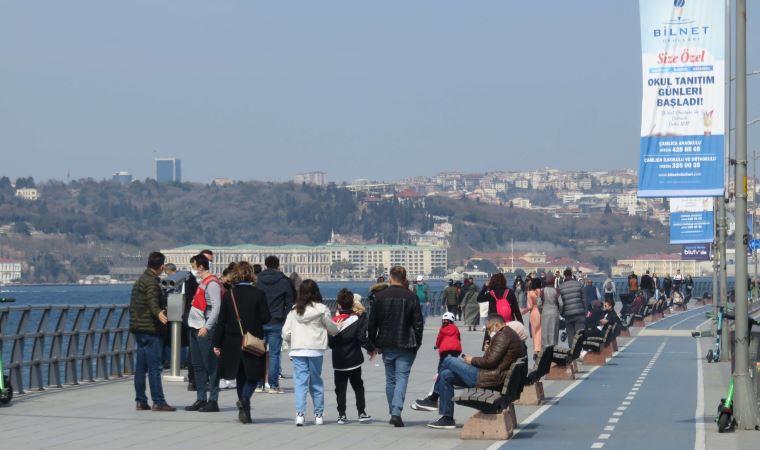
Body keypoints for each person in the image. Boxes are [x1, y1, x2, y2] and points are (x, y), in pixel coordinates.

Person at [419, 316, 527, 429]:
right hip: (493, 377)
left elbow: (490, 362)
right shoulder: (508, 334)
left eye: (489, 329)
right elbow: (495, 360)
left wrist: (471, 360)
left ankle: (433, 399)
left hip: (487, 379)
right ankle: (447, 418)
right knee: (446, 375)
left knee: (448, 360)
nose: (489, 332)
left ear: (497, 325)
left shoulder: (503, 335)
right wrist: (489, 349)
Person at [212, 262, 271, 424]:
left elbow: (221, 321)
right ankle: (245, 400)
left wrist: (216, 343)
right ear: (251, 274)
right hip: (252, 340)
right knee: (254, 375)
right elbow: (266, 318)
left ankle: (244, 410)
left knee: (240, 376)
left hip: (231, 341)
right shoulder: (259, 294)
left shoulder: (229, 294)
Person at [367, 266, 424, 427]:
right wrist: (417, 343)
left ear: (391, 277)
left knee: (390, 379)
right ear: (404, 278)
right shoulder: (411, 297)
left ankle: (393, 410)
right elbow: (418, 323)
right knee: (402, 378)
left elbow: (372, 323)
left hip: (386, 343)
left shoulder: (379, 297)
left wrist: (373, 344)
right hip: (406, 343)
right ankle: (396, 412)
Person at [283, 279, 339, 426]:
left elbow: (285, 332)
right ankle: (318, 415)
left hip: (298, 350)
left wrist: (293, 338)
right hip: (315, 349)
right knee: (316, 382)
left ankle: (300, 414)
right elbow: (333, 328)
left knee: (300, 383)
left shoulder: (294, 310)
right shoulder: (322, 309)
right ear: (316, 292)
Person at [129, 251, 175, 411]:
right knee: (155, 367)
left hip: (138, 329)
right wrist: (159, 313)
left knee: (140, 368)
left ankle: (141, 401)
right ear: (162, 266)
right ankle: (158, 401)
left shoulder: (140, 280)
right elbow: (152, 301)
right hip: (151, 330)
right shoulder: (151, 283)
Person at [186, 253, 224, 412]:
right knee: (197, 364)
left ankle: (213, 400)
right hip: (194, 326)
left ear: (201, 267)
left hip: (204, 327)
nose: (193, 269)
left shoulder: (212, 283)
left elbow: (216, 307)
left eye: (194, 266)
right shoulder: (202, 282)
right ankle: (201, 398)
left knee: (210, 364)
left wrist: (207, 327)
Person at [328, 289, 372, 425]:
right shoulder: (357, 319)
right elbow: (361, 338)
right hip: (354, 359)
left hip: (339, 360)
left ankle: (341, 414)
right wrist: (371, 349)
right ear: (353, 303)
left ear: (338, 305)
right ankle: (361, 412)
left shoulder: (334, 321)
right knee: (358, 386)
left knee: (340, 388)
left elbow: (330, 343)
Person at [256, 255, 296, 394]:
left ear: (265, 265)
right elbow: (291, 301)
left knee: (258, 352)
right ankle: (273, 385)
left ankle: (258, 384)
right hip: (276, 320)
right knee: (274, 354)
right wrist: (284, 315)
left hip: (259, 321)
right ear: (278, 265)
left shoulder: (258, 280)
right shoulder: (284, 281)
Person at [477, 273, 523, 349]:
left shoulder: (491, 294)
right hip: (508, 324)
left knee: (491, 347)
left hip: (493, 324)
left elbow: (479, 298)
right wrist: (520, 324)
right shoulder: (510, 292)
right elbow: (516, 310)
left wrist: (485, 286)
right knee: (508, 346)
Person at [558, 268, 586, 347]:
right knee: (579, 334)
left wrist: (562, 313)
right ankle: (580, 351)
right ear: (571, 275)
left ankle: (572, 352)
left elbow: (560, 303)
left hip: (567, 314)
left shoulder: (561, 287)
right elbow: (584, 299)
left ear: (564, 276)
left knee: (570, 335)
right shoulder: (579, 284)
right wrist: (585, 311)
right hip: (579, 313)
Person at [521, 277, 543, 358]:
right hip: (542, 312)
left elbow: (529, 307)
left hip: (534, 312)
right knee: (541, 330)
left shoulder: (530, 293)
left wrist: (523, 311)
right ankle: (542, 347)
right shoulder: (541, 291)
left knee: (535, 331)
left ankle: (537, 349)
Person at [540, 275, 562, 348]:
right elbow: (561, 304)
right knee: (554, 332)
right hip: (554, 312)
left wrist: (541, 311)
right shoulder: (556, 291)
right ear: (553, 282)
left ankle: (545, 349)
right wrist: (560, 312)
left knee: (545, 332)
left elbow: (538, 303)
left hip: (545, 311)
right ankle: (553, 349)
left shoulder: (542, 291)